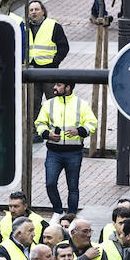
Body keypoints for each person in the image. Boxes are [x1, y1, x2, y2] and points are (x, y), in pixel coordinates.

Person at [37, 81, 98, 215]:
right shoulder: (49, 104)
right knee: (50, 184)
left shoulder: (81, 104)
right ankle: (58, 212)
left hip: (74, 153)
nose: (54, 87)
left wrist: (80, 131)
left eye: (59, 85)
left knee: (73, 187)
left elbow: (92, 123)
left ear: (68, 87)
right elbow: (40, 123)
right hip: (54, 152)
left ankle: (71, 216)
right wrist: (48, 134)